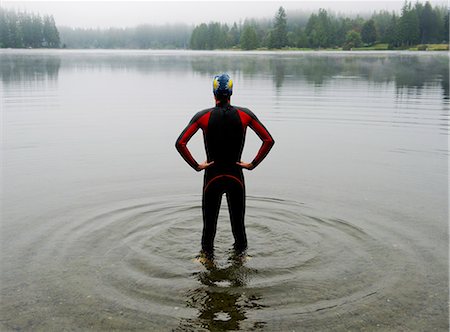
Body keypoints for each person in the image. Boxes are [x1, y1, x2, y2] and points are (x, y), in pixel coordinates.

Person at [175, 73, 274, 260]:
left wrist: (196, 166)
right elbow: (268, 140)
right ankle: (240, 265)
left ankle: (207, 265)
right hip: (236, 176)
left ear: (214, 93)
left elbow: (180, 143)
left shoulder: (202, 116)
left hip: (212, 176)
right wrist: (252, 164)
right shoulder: (245, 115)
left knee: (209, 228)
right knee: (239, 226)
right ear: (231, 93)